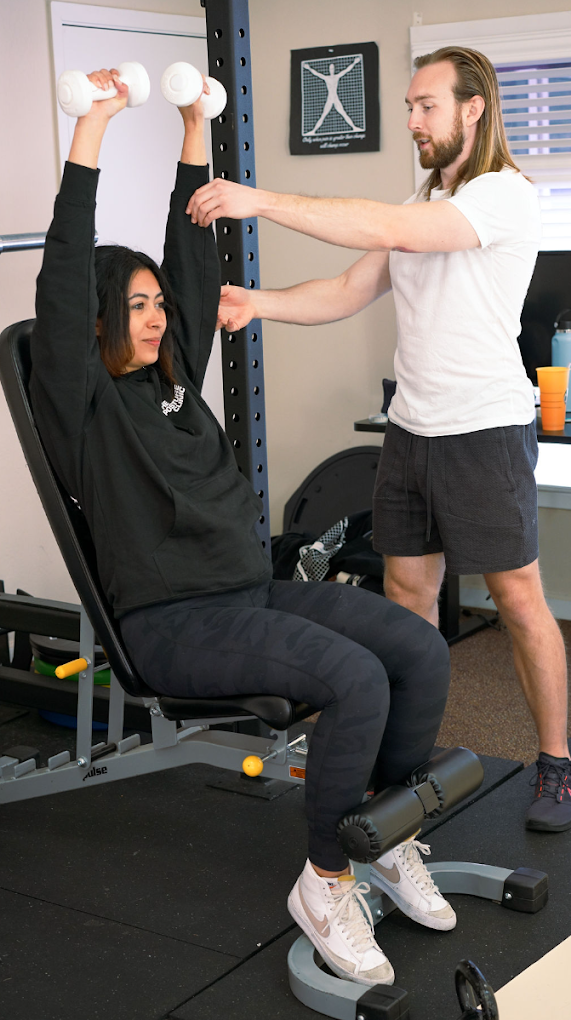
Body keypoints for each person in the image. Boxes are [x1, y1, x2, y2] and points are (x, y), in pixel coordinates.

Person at [30, 68, 453, 988]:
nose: (153, 319)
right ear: (99, 322)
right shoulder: (84, 402)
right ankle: (326, 877)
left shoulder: (173, 378)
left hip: (244, 590)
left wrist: (194, 127)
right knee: (351, 679)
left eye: (155, 307)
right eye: (133, 308)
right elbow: (65, 272)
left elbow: (193, 258)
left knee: (415, 651)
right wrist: (93, 127)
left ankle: (382, 835)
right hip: (170, 624)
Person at [187, 46, 571, 834]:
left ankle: (557, 764)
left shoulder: (501, 198)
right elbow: (345, 289)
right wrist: (254, 303)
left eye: (425, 106)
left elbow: (392, 227)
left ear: (472, 109)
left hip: (483, 431)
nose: (411, 121)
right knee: (405, 599)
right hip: (412, 433)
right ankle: (408, 762)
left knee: (519, 600)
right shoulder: (424, 194)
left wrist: (260, 199)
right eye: (407, 107)